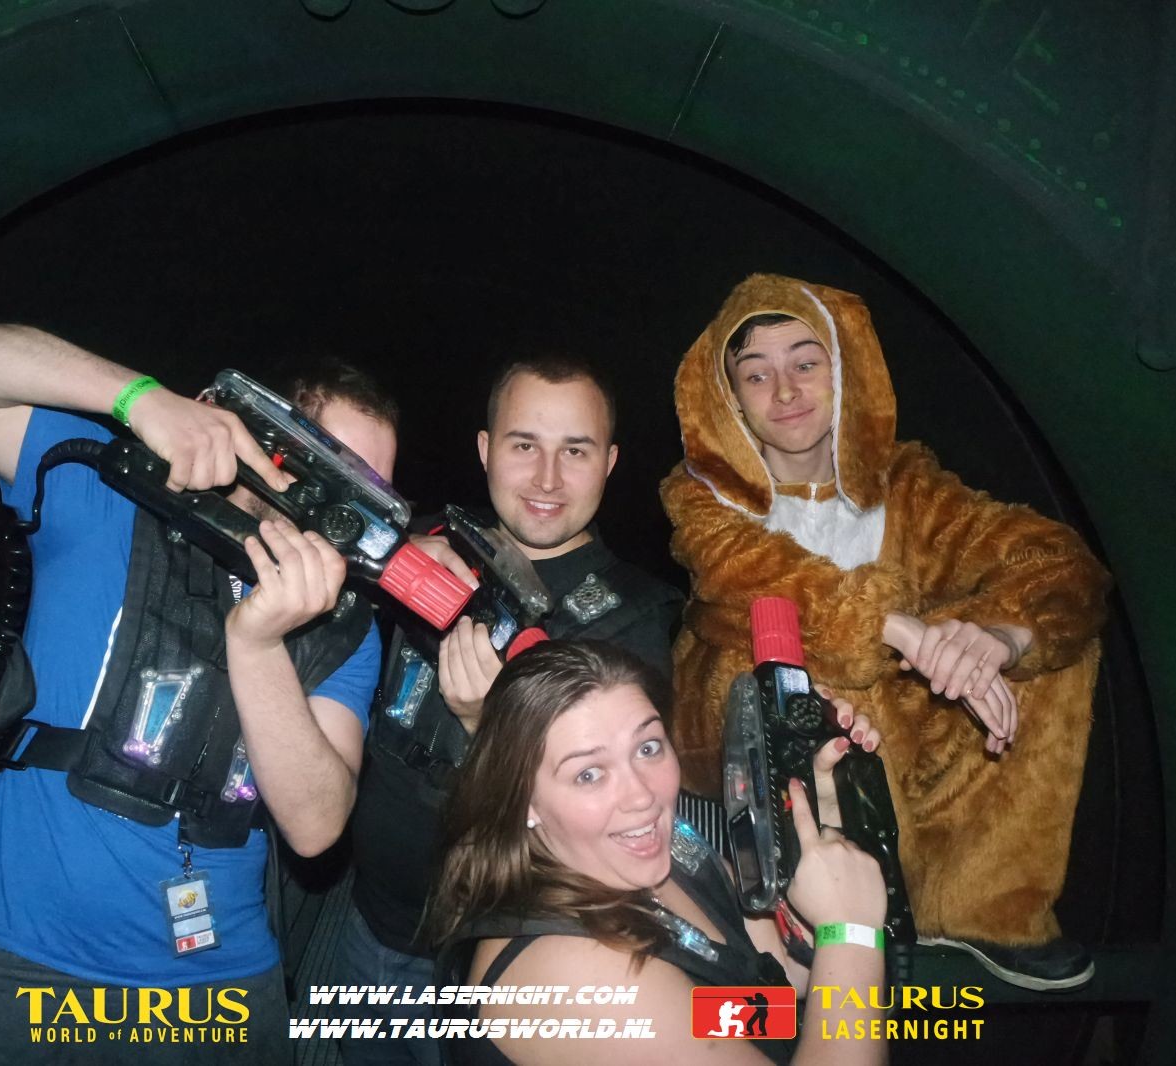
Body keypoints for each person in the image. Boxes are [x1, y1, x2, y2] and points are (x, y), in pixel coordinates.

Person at [0, 319, 398, 1061]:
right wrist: (137, 398)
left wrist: (259, 644)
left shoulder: (345, 625)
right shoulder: (108, 495)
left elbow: (316, 826)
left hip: (226, 987)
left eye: (370, 495)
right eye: (332, 474)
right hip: (33, 965)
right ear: (264, 443)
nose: (344, 514)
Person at [661, 274, 1110, 990]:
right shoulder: (703, 493)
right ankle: (847, 910)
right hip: (737, 723)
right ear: (732, 399)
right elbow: (747, 573)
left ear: (843, 372)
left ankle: (980, 908)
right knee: (814, 662)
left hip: (902, 724)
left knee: (1051, 647)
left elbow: (1055, 560)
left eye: (805, 363)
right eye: (757, 374)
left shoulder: (907, 486)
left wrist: (998, 638)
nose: (785, 390)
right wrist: (894, 627)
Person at [342, 357, 684, 1065]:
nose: (547, 478)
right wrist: (398, 549)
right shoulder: (432, 542)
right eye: (524, 444)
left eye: (575, 451)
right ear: (485, 449)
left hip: (495, 958)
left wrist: (489, 725)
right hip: (368, 919)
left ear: (609, 462)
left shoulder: (638, 619)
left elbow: (611, 826)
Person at [428, 640, 891, 1066]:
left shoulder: (667, 849)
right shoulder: (575, 977)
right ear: (523, 799)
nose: (642, 796)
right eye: (589, 774)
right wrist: (851, 934)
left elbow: (774, 985)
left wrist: (815, 815)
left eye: (648, 748)